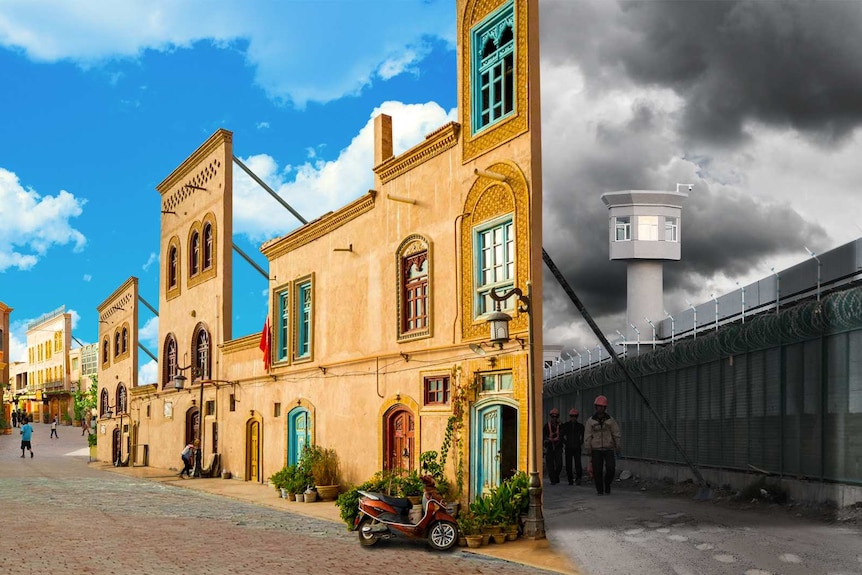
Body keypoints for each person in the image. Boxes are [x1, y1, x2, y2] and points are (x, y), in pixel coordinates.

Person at [583, 395, 622, 495]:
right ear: (595, 407)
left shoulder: (610, 421)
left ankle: (607, 484)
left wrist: (618, 446)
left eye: (602, 406)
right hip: (596, 449)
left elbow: (616, 433)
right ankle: (600, 490)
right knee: (597, 470)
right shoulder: (591, 421)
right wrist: (588, 448)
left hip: (608, 448)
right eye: (598, 406)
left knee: (611, 468)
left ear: (605, 408)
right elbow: (588, 435)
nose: (600, 408)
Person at [562, 408, 585, 485]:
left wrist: (580, 443)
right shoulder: (566, 426)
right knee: (568, 465)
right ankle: (570, 480)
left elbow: (584, 436)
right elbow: (561, 435)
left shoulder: (580, 426)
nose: (573, 418)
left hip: (577, 448)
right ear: (569, 416)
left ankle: (578, 478)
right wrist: (566, 443)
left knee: (578, 464)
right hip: (568, 448)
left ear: (577, 417)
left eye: (575, 416)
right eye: (572, 416)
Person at [543, 407, 564, 484]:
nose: (554, 419)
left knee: (559, 465)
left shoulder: (561, 425)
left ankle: (556, 476)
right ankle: (553, 480)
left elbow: (562, 435)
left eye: (556, 417)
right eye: (553, 417)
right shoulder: (546, 426)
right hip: (549, 447)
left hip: (558, 447)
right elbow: (543, 436)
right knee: (550, 465)